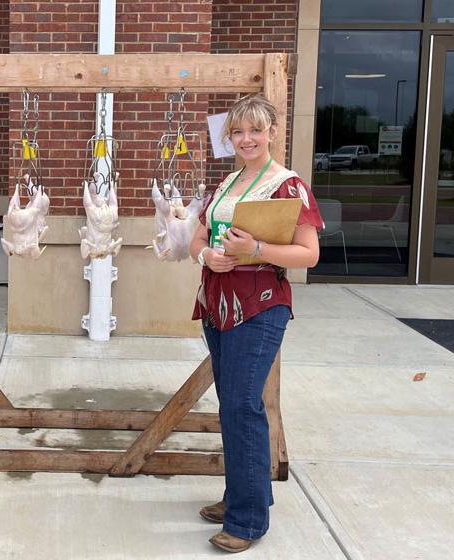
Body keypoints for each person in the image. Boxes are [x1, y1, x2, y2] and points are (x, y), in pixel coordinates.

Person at [189, 94, 322, 554]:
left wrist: (257, 251)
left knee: (244, 405)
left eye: (255, 130)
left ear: (271, 132)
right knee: (231, 405)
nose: (247, 139)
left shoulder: (287, 186)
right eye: (238, 132)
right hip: (218, 301)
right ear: (230, 137)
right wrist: (206, 255)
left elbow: (309, 254)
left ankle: (247, 521)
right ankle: (243, 497)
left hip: (261, 304)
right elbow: (198, 238)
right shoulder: (225, 183)